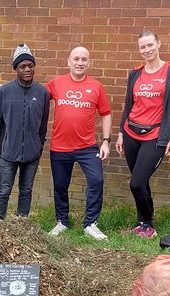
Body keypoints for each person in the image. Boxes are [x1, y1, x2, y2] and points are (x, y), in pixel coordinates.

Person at [116, 31, 170, 238]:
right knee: (141, 181)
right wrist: (120, 132)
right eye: (142, 47)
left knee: (136, 182)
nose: (146, 50)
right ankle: (143, 222)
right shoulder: (135, 73)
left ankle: (148, 224)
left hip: (155, 136)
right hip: (131, 133)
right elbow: (129, 105)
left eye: (150, 45)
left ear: (158, 44)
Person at [45, 46, 112, 240]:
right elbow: (34, 95)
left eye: (84, 59)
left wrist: (106, 141)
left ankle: (90, 223)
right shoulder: (56, 84)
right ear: (69, 62)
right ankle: (62, 221)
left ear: (88, 63)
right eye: (76, 59)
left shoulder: (96, 86)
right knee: (60, 185)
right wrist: (8, 91)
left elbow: (106, 114)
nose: (80, 63)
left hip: (87, 147)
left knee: (96, 180)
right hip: (59, 147)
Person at [0, 44, 50, 220]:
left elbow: (43, 125)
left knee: (26, 190)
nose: (27, 69)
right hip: (8, 153)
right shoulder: (4, 92)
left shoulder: (42, 93)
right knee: (4, 190)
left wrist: (39, 147)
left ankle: (22, 223)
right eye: (23, 66)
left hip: (32, 155)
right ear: (16, 69)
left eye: (31, 65)